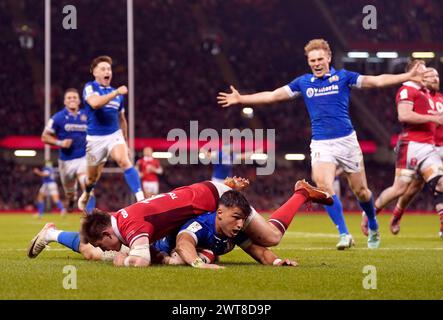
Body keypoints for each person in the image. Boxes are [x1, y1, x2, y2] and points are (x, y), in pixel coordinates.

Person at [217, 38, 430, 249]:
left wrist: (408, 76)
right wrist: (242, 98)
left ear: (328, 57)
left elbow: (375, 80)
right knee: (323, 187)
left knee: (361, 192)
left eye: (320, 59)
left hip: (347, 142)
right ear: (308, 62)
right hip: (321, 143)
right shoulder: (304, 82)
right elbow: (273, 95)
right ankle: (344, 234)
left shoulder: (344, 77)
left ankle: (372, 223)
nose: (316, 63)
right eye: (312, 60)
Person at [28, 177, 331, 264]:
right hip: (206, 192)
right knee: (93, 252)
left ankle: (301, 194)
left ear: (108, 229)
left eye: (102, 239)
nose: (106, 244)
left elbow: (140, 260)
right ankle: (52, 234)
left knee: (271, 238)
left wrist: (116, 258)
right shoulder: (119, 219)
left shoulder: (131, 225)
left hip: (216, 197)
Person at [360, 62, 443, 239]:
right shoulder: (407, 89)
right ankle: (369, 212)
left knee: (440, 183)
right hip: (411, 146)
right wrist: (433, 118)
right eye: (422, 70)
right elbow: (404, 115)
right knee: (399, 189)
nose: (426, 73)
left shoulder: (426, 92)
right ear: (411, 72)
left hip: (429, 148)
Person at [131, 190, 297, 269]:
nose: (240, 224)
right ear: (220, 213)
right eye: (236, 217)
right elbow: (183, 243)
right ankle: (161, 259)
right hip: (157, 246)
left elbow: (259, 252)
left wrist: (278, 261)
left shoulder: (233, 230)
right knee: (184, 259)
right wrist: (198, 264)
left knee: (209, 254)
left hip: (200, 250)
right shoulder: (202, 224)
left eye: (243, 220)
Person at [78, 55, 144, 211]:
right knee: (92, 178)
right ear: (94, 72)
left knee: (124, 161)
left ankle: (141, 198)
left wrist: (126, 142)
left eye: (109, 68)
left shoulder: (117, 94)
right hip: (95, 139)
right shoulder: (90, 87)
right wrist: (115, 93)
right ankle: (87, 192)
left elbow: (122, 119)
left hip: (114, 135)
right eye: (103, 68)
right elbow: (94, 103)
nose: (107, 71)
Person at [41, 88, 89, 212]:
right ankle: (72, 199)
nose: (72, 99)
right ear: (64, 101)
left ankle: (90, 217)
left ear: (79, 101)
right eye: (69, 98)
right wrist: (60, 142)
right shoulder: (57, 118)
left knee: (87, 185)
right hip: (66, 161)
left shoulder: (87, 116)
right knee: (70, 191)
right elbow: (44, 137)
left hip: (83, 157)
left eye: (74, 97)